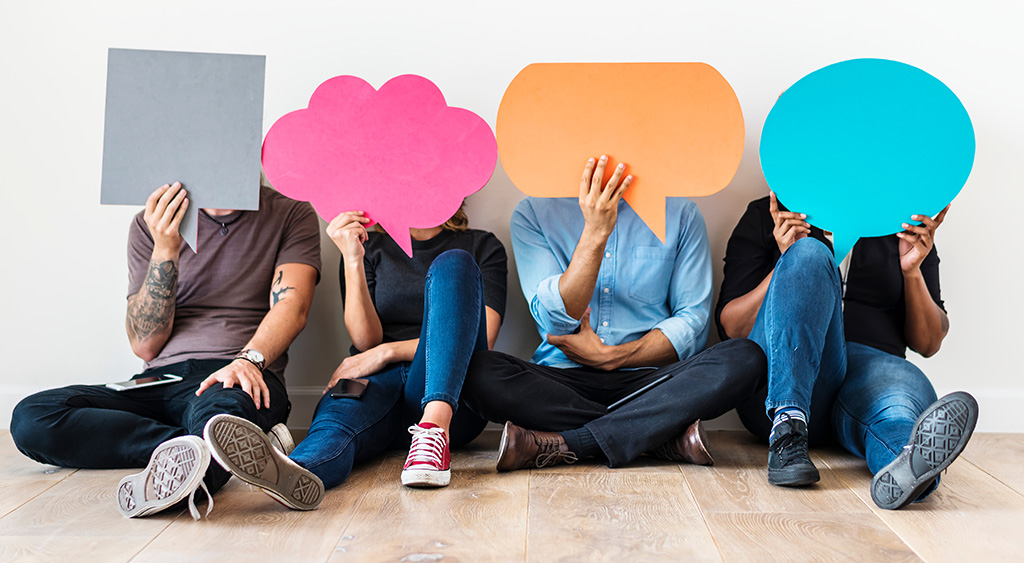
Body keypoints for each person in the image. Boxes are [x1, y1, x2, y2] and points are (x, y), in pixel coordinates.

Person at [10, 181, 322, 519]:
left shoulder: (291, 211)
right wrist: (165, 248)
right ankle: (222, 449)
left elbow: (292, 305)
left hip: (237, 372)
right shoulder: (150, 223)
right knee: (33, 417)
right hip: (162, 379)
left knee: (218, 415)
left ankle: (204, 454)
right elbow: (144, 345)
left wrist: (247, 360)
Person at [463, 155, 766, 471]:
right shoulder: (534, 212)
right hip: (563, 380)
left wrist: (615, 356)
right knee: (477, 370)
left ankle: (571, 443)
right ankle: (658, 435)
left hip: (650, 382)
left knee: (745, 357)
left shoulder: (681, 214)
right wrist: (595, 231)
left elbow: (693, 322)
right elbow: (554, 320)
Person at [203, 202, 507, 507]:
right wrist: (352, 258)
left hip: (448, 394)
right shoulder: (371, 246)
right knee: (336, 423)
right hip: (378, 382)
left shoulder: (482, 246)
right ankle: (292, 470)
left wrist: (386, 352)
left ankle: (432, 434)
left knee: (454, 263)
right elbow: (365, 340)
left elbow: (484, 335)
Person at [716, 192, 978, 508]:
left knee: (896, 408)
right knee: (808, 254)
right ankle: (788, 428)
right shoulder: (769, 214)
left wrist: (912, 270)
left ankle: (908, 464)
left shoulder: (900, 221)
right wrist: (787, 263)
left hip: (870, 373)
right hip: (785, 377)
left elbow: (929, 342)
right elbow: (733, 328)